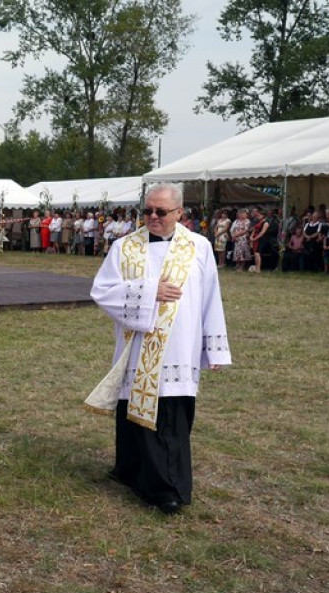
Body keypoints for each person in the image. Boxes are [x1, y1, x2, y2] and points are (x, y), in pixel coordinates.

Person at [87, 183, 231, 515]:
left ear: (180, 213)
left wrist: (215, 349)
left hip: (181, 347)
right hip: (138, 347)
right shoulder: (124, 247)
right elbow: (102, 290)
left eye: (161, 212)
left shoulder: (199, 247)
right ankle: (133, 472)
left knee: (170, 416)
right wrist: (149, 291)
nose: (153, 217)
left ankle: (169, 487)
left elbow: (211, 298)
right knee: (133, 413)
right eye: (148, 211)